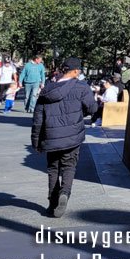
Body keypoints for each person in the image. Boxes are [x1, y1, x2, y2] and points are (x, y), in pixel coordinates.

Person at [31, 58, 97, 217]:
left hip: (51, 136)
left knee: (53, 168)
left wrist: (36, 142)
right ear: (75, 71)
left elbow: (38, 118)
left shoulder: (47, 89)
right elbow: (93, 107)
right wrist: (80, 114)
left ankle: (52, 202)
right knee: (69, 166)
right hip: (72, 136)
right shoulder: (81, 87)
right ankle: (64, 194)